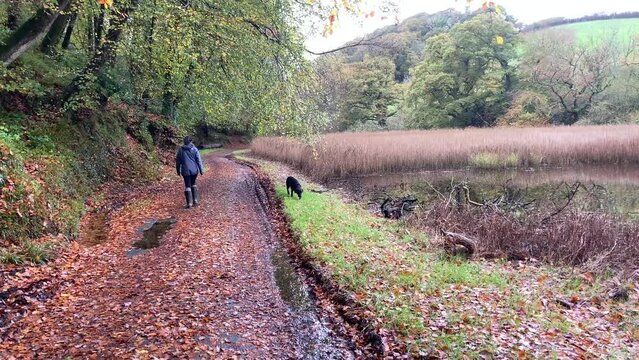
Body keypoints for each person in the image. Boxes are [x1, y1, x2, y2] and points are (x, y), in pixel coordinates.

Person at [176, 136, 204, 208]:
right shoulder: (195, 149)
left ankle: (189, 204)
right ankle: (195, 200)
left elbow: (178, 162)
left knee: (187, 185)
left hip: (185, 171)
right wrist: (201, 170)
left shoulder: (180, 150)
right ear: (191, 141)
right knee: (193, 183)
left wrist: (178, 170)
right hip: (194, 170)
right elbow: (199, 160)